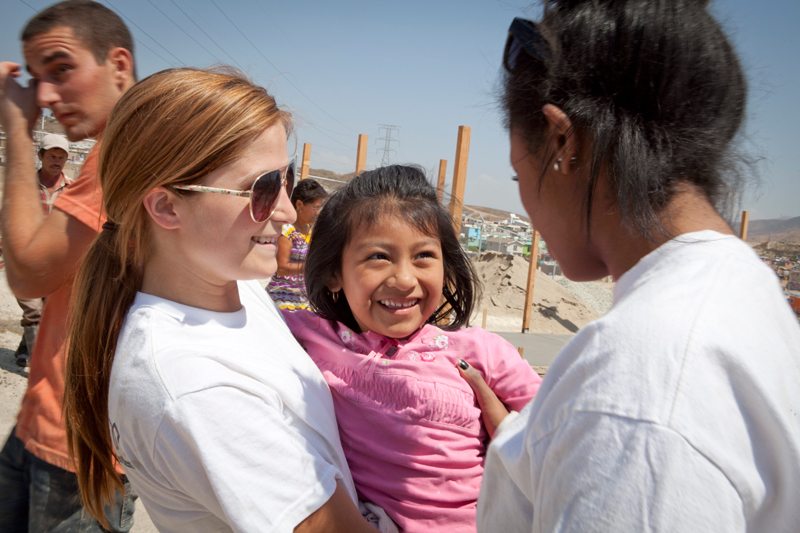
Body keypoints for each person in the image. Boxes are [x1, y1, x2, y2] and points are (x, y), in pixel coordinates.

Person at [476, 1, 800, 531]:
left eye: (518, 175)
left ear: (562, 142)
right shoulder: (745, 290)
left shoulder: (640, 382)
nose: (526, 206)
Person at [63, 67, 382, 533]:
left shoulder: (234, 290)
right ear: (167, 206)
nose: (286, 210)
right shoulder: (196, 387)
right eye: (263, 189)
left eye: (287, 180)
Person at [282, 165, 542, 532]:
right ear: (334, 274)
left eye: (423, 256)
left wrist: (508, 433)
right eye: (378, 257)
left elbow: (562, 434)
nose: (404, 279)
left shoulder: (481, 351)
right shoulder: (315, 338)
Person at [0, 1, 138, 530]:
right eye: (38, 79)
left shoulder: (126, 150)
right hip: (48, 423)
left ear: (118, 65)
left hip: (80, 450)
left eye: (61, 69)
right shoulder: (114, 149)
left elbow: (29, 272)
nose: (46, 96)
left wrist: (18, 131)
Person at [12, 133, 72, 367]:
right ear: (41, 156)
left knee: (47, 311)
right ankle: (41, 364)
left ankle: (24, 349)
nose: (56, 161)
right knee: (34, 310)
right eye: (52, 156)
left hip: (57, 263)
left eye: (61, 157)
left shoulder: (73, 190)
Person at [266, 177, 327, 310]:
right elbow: (281, 268)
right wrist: (312, 266)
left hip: (304, 297)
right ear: (299, 205)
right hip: (284, 295)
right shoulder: (287, 231)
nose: (318, 212)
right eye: (316, 207)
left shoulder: (311, 230)